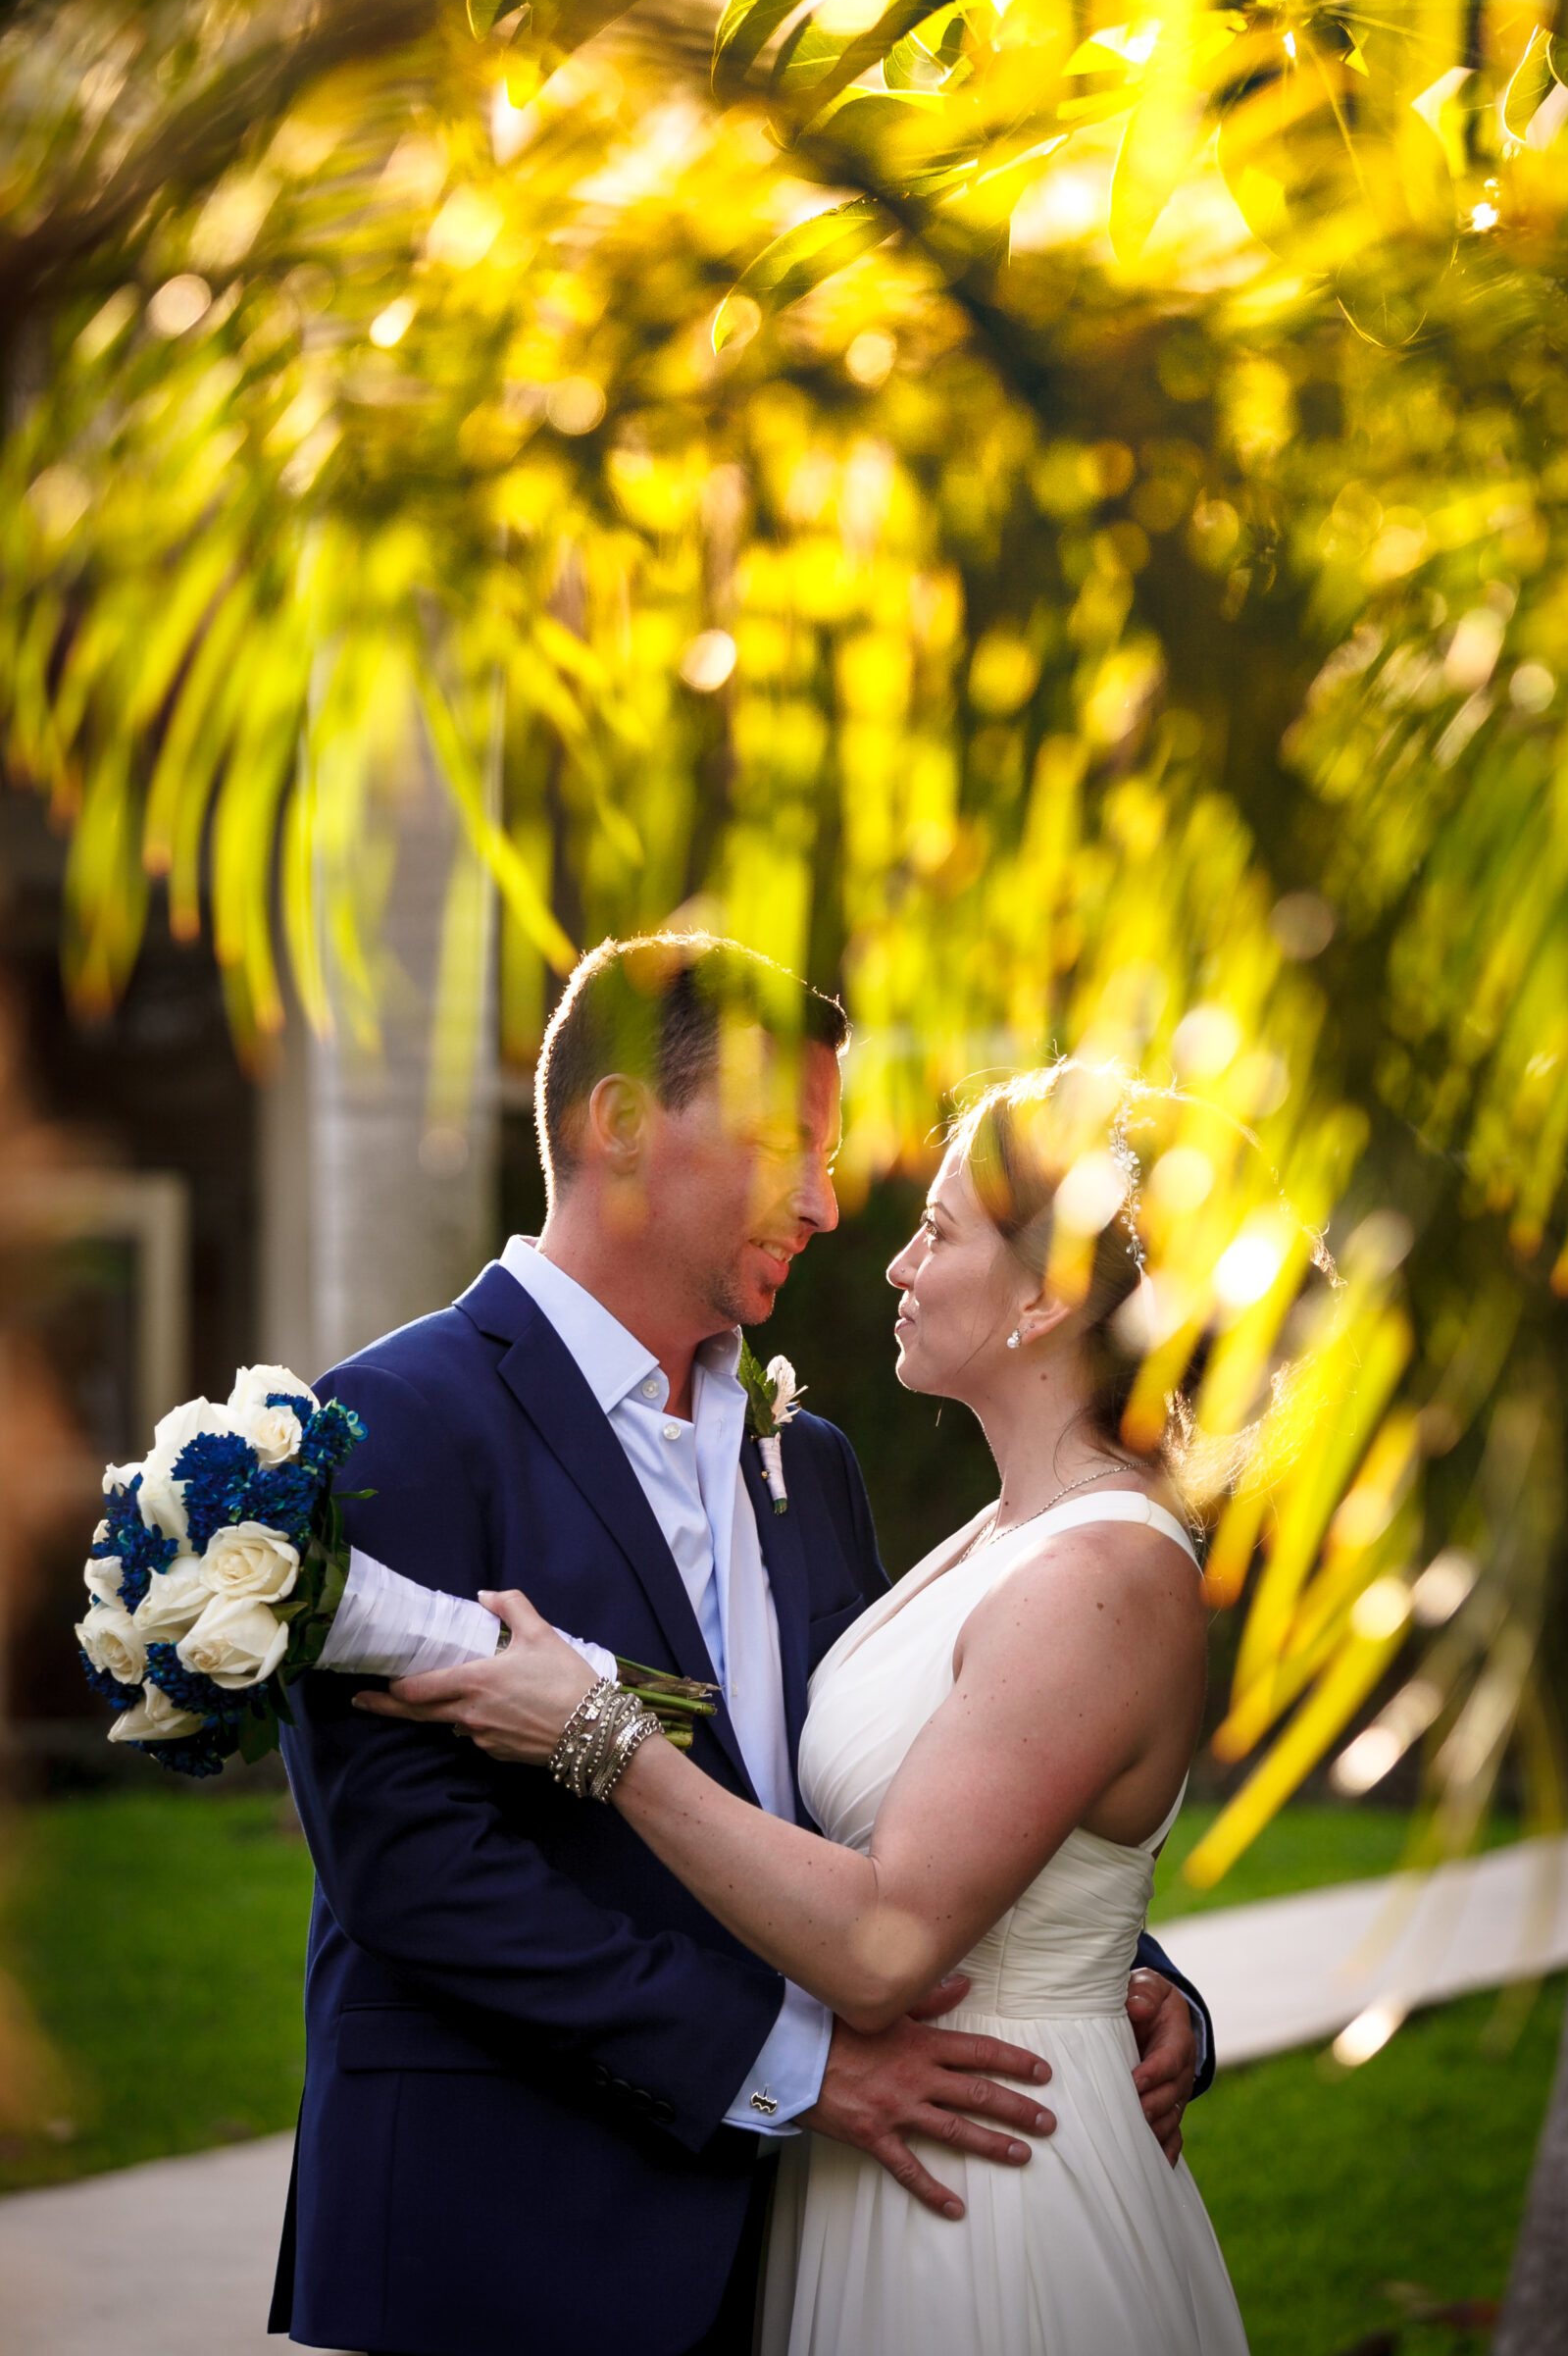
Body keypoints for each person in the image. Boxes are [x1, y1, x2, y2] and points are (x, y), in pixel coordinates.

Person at [271, 935, 1213, 2356]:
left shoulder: (806, 1458)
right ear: (625, 1129)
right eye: (789, 1146)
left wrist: (1123, 1978)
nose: (830, 1206)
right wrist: (795, 2069)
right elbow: (410, 1867)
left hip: (798, 2244)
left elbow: (925, 1784)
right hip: (510, 2233)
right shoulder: (395, 1420)